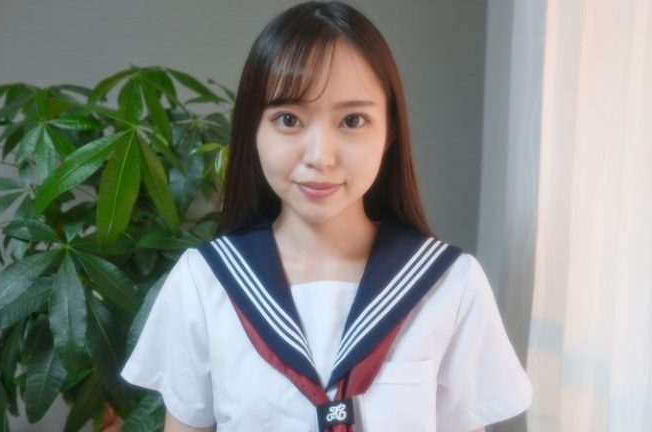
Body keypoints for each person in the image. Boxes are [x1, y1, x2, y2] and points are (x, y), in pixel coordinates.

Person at [121, 2, 532, 431]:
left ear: (390, 130)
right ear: (251, 129)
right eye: (288, 119)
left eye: (353, 120)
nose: (321, 156)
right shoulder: (205, 283)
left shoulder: (449, 284)